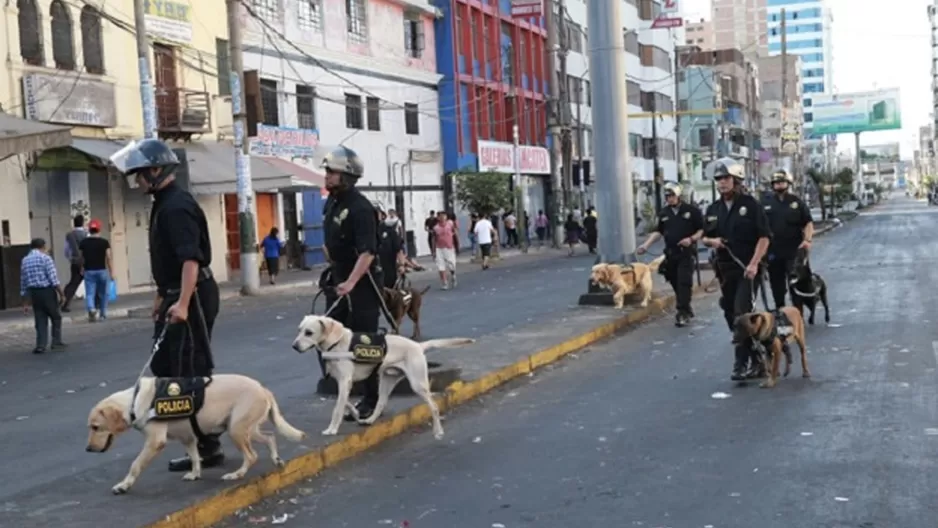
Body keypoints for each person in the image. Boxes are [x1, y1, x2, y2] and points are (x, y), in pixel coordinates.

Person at [110, 138, 223, 472]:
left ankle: (207, 446)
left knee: (190, 371)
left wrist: (184, 303)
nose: (138, 182)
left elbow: (190, 258)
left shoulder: (176, 206)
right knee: (168, 366)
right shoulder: (163, 202)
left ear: (157, 170)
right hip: (177, 291)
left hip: (193, 294)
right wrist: (163, 297)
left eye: (140, 175)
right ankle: (198, 442)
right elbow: (170, 261)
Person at [317, 145, 385, 423]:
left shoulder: (360, 208)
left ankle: (372, 399)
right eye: (327, 171)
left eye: (332, 172)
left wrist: (351, 282)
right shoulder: (332, 202)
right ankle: (346, 393)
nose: (327, 176)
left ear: (346, 175)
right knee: (330, 338)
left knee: (364, 342)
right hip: (339, 278)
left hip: (363, 283)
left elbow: (367, 251)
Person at [700, 157, 772, 381]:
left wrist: (753, 264)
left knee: (742, 314)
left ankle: (740, 364)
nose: (722, 183)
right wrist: (713, 242)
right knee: (731, 314)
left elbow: (764, 237)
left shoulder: (750, 205)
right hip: (725, 270)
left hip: (747, 270)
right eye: (719, 179)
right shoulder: (713, 209)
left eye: (726, 178)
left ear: (737, 179)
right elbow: (704, 237)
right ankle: (759, 359)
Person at [637, 182, 704, 327]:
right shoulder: (664, 213)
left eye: (672, 195)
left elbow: (701, 230)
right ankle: (686, 307)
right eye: (667, 196)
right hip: (671, 254)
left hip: (686, 253)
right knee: (674, 281)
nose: (669, 198)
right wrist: (645, 245)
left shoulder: (691, 211)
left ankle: (682, 312)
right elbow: (658, 231)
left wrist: (691, 239)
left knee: (684, 282)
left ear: (678, 195)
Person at [762, 170, 814, 308]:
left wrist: (807, 240)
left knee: (796, 284)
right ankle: (781, 313)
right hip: (773, 252)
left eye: (782, 182)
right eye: (776, 182)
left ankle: (797, 314)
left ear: (788, 183)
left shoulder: (796, 202)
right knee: (777, 286)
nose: (779, 185)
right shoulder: (764, 203)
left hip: (794, 251)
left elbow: (808, 223)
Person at [20, 238, 67, 354]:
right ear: (43, 247)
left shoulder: (25, 260)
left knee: (40, 318)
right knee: (55, 317)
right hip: (47, 291)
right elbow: (53, 279)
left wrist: (25, 302)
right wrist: (62, 294)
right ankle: (56, 342)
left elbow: (23, 282)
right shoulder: (46, 258)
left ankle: (40, 345)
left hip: (34, 293)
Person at [79, 219, 113, 322]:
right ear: (99, 229)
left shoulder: (83, 242)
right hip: (102, 270)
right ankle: (103, 314)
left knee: (90, 293)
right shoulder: (104, 242)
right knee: (104, 293)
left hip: (89, 271)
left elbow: (81, 258)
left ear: (89, 230)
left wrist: (81, 267)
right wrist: (111, 271)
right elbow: (108, 257)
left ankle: (92, 309)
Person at [61, 215, 87, 312]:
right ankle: (97, 302)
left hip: (75, 261)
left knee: (73, 282)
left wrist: (70, 258)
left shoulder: (69, 235)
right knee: (92, 281)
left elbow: (66, 250)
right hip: (86, 262)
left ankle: (64, 300)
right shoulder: (86, 234)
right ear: (82, 222)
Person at [378, 208, 406, 289]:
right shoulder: (367, 232)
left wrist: (401, 265)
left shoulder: (389, 229)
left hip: (388, 269)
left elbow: (399, 250)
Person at [433, 211, 457, 289]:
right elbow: (433, 239)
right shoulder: (436, 228)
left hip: (449, 248)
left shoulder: (450, 224)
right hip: (439, 248)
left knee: (452, 265)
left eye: (444, 216)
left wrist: (457, 244)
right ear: (438, 218)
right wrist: (433, 251)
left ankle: (453, 275)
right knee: (441, 266)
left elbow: (455, 232)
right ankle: (444, 283)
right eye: (441, 216)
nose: (443, 217)